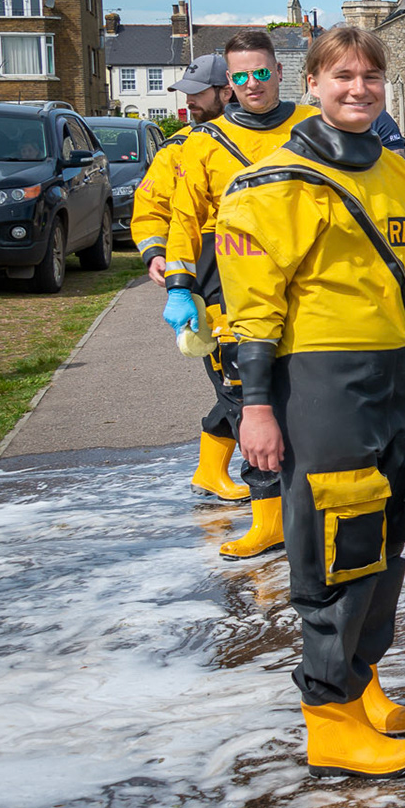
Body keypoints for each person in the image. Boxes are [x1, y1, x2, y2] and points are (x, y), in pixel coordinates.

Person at [216, 25, 405, 779]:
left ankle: (363, 686)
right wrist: (253, 407)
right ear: (311, 82)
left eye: (371, 76)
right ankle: (328, 717)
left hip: (391, 381)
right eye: (342, 75)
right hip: (318, 383)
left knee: (389, 535)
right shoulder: (269, 183)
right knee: (338, 542)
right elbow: (253, 311)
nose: (358, 88)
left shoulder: (396, 172)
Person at [160, 31, 320, 556]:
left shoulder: (314, 128)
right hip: (226, 289)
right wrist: (180, 289)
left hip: (306, 285)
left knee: (308, 400)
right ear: (229, 84)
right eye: (241, 76)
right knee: (245, 403)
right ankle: (268, 518)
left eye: (262, 72)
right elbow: (183, 223)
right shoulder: (202, 144)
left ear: (280, 71)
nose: (253, 84)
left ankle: (320, 510)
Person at [133, 54, 249, 500]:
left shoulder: (278, 137)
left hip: (260, 264)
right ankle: (270, 492)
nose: (190, 103)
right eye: (186, 95)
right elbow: (150, 208)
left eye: (198, 94)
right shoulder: (179, 147)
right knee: (233, 372)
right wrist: (154, 253)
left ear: (228, 90)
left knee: (261, 374)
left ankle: (209, 471)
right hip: (206, 266)